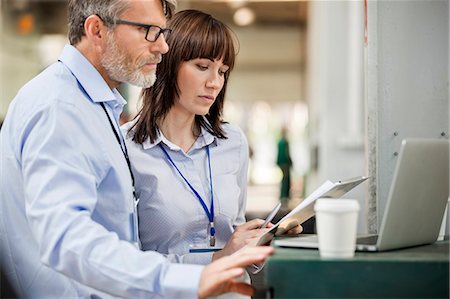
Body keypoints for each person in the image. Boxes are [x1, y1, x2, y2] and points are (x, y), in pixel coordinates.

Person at [0, 1, 273, 298]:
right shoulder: (61, 106)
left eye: (162, 32)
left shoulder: (94, 107)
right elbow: (65, 239)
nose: (163, 47)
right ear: (96, 30)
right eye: (148, 31)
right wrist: (187, 279)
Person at [276, 126, 293, 207]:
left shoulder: (279, 142)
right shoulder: (285, 142)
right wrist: (290, 162)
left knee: (284, 179)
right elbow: (287, 153)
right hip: (285, 163)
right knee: (286, 180)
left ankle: (283, 196)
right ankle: (284, 196)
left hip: (281, 163)